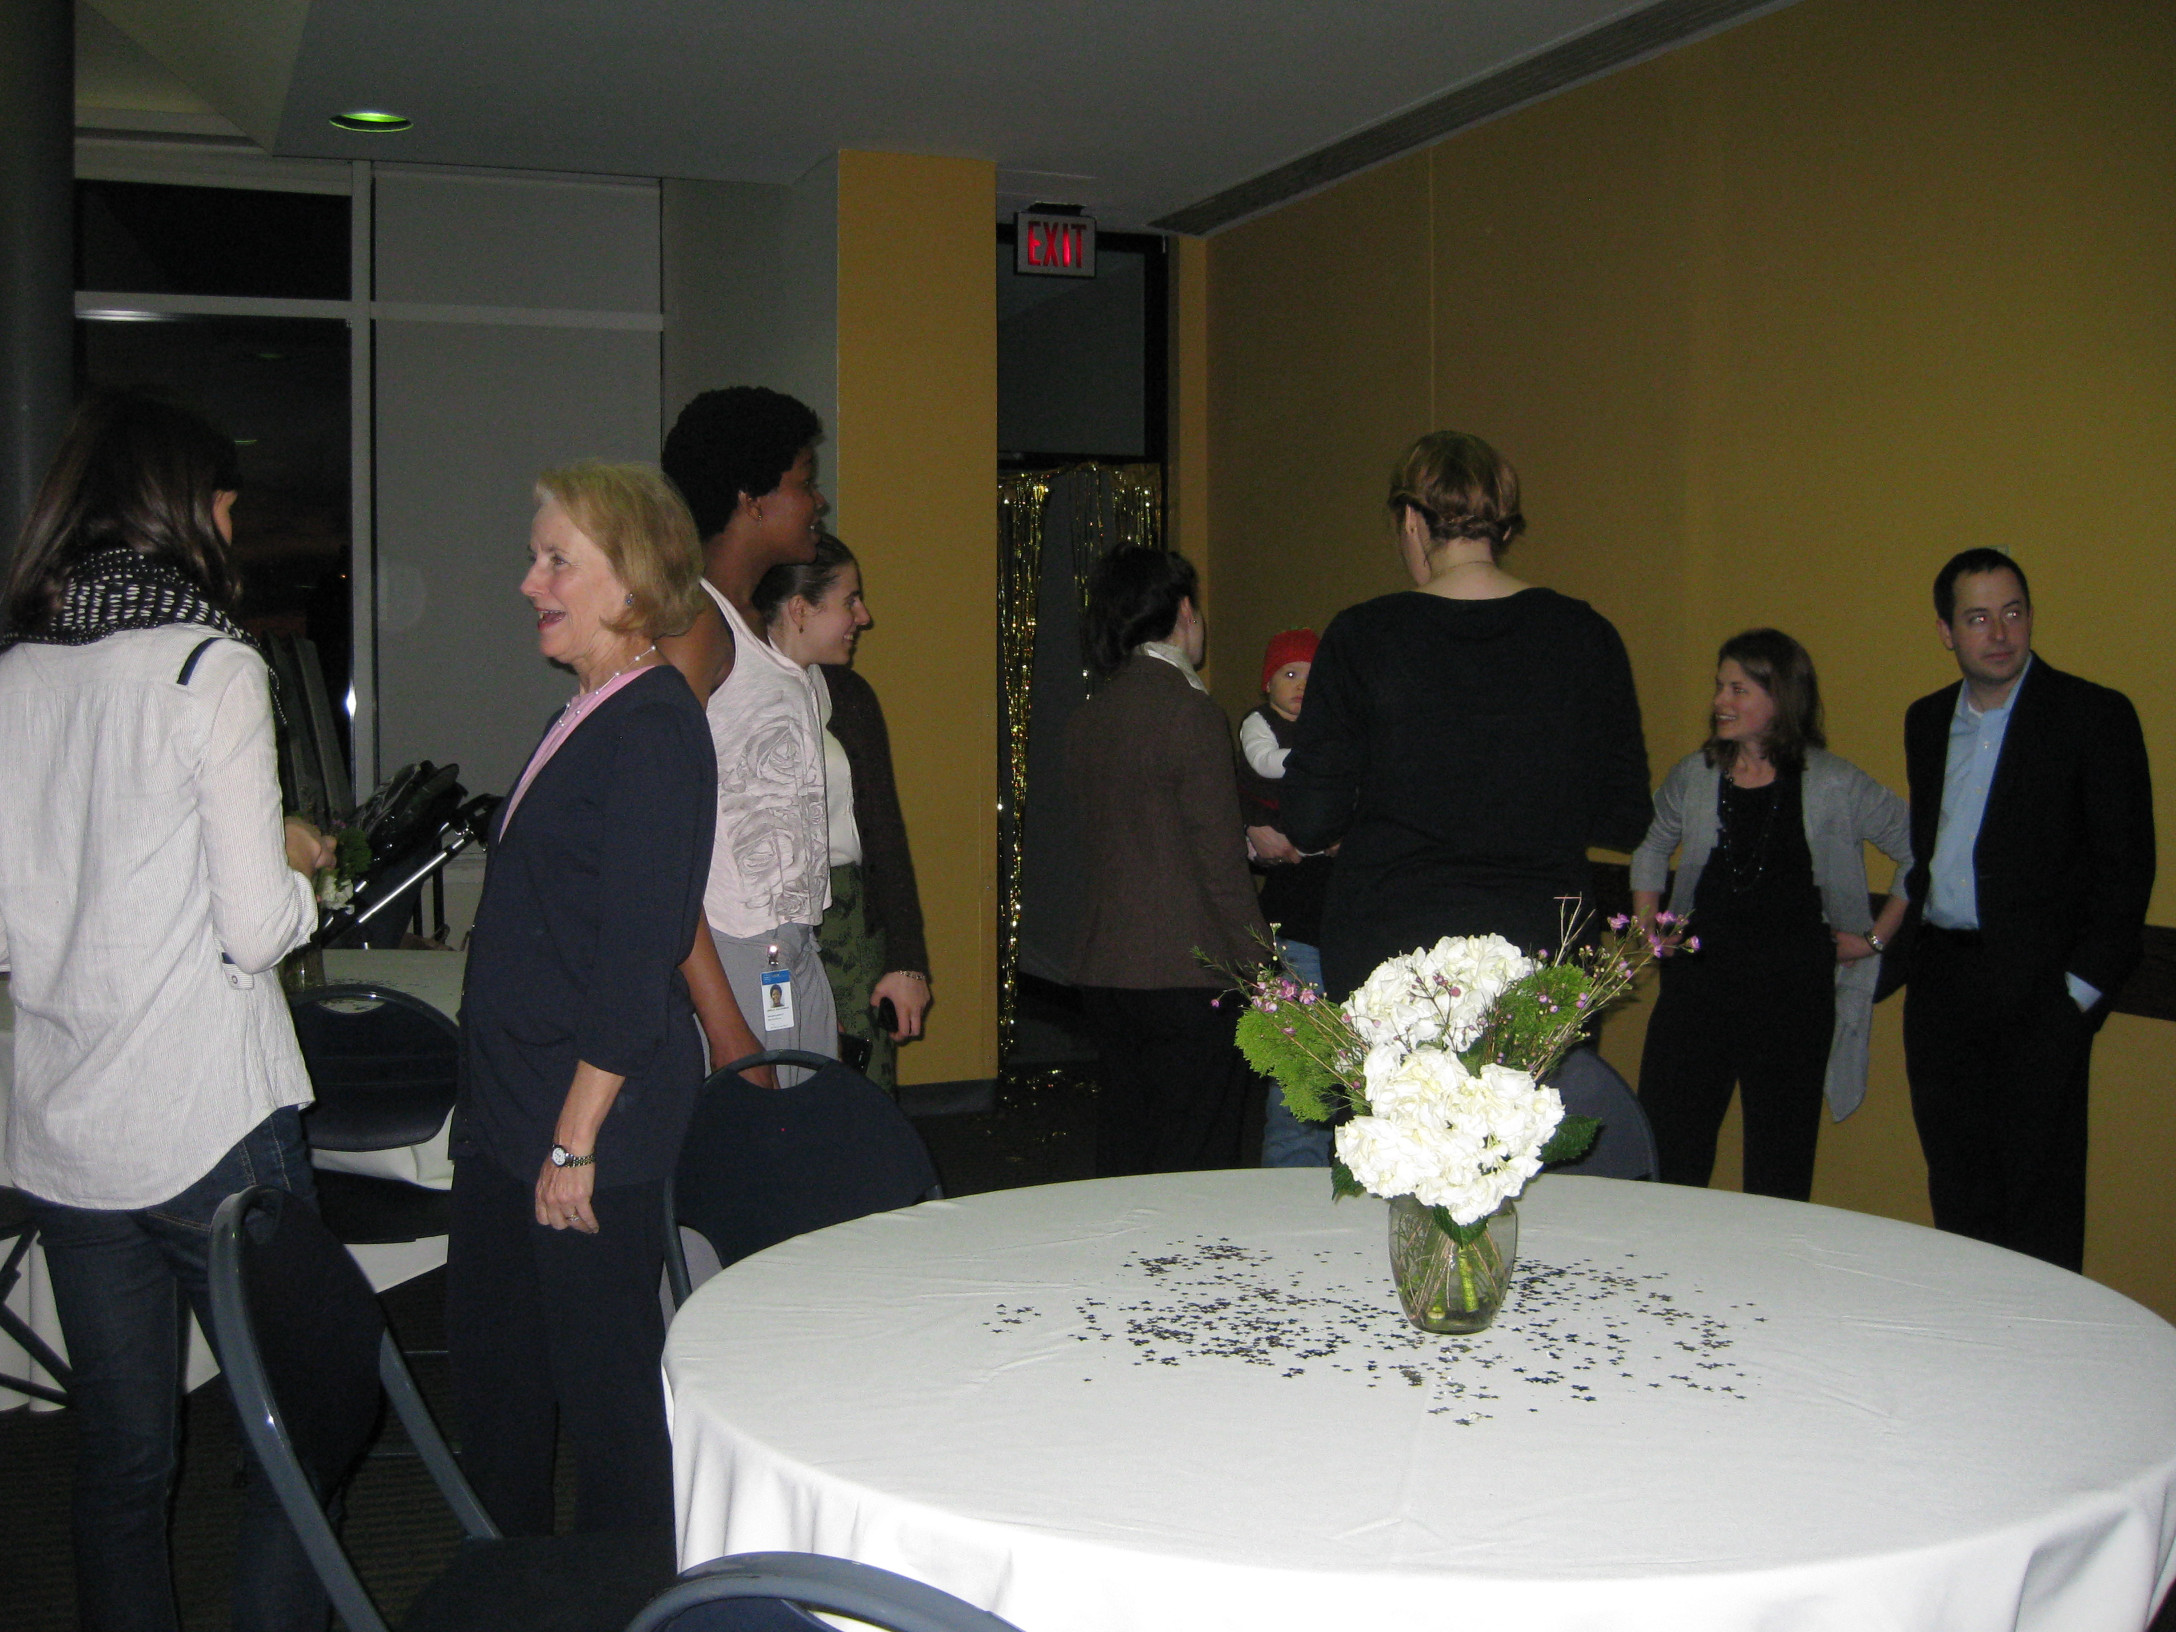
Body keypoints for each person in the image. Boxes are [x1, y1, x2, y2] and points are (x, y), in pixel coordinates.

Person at [0, 391, 336, 1632]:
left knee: (120, 1460)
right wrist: (295, 866)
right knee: (299, 1437)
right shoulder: (210, 668)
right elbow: (254, 931)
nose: (234, 525)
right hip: (209, 1123)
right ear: (180, 509)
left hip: (68, 1136)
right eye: (226, 502)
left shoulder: (18, 674)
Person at [449, 461, 716, 1537]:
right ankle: (509, 1588)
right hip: (518, 1114)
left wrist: (574, 1140)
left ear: (634, 579)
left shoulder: (653, 727)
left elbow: (636, 955)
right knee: (499, 1389)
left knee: (605, 1406)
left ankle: (624, 1598)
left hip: (583, 1125)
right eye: (535, 558)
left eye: (558, 560)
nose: (530, 583)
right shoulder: (595, 707)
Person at [1281, 431, 1652, 999]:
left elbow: (1310, 819)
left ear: (1411, 520)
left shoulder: (1364, 635)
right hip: (1541, 940)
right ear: (1502, 526)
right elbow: (1624, 819)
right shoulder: (1584, 635)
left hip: (1389, 945)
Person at [1900, 550, 2153, 1271]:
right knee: (1958, 1195)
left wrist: (2075, 997)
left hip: (2041, 995)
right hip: (1943, 987)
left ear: (2030, 616)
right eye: (1978, 617)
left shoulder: (2092, 716)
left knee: (2040, 1209)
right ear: (1947, 632)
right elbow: (1929, 854)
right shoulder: (1926, 721)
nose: (2000, 633)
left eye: (2012, 612)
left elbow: (2127, 870)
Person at [1630, 629, 1912, 1200]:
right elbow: (1651, 845)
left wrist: (1875, 939)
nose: (1720, 701)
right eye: (1719, 687)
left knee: (1778, 1175)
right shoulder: (1696, 775)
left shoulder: (1833, 783)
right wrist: (1648, 929)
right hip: (1696, 996)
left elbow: (1917, 849)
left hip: (1791, 1002)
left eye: (1738, 689)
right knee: (1669, 1160)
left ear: (1781, 698)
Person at [1065, 547, 1269, 1175]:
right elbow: (1218, 861)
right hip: (1188, 969)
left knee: (1130, 1145)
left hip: (1106, 965)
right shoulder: (1191, 710)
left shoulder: (1092, 715)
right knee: (1197, 1155)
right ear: (1184, 610)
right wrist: (1264, 968)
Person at [659, 387, 836, 1088]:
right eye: (804, 481)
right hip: (732, 955)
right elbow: (661, 843)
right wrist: (727, 1030)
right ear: (750, 500)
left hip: (786, 949)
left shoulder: (750, 621)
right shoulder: (695, 626)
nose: (818, 501)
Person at [754, 532, 932, 1095]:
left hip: (851, 925)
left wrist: (907, 962)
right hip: (761, 927)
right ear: (800, 609)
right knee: (775, 1092)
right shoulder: (734, 693)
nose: (864, 616)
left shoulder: (848, 695)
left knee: (858, 1098)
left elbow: (885, 836)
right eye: (849, 600)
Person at [1236, 627, 1336, 1166]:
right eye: (1290, 674)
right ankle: (1290, 1179)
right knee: (1300, 1065)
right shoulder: (1262, 728)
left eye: (1311, 677)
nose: (1300, 687)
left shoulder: (1341, 729)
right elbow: (1259, 771)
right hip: (1297, 917)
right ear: (1268, 683)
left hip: (1350, 916)